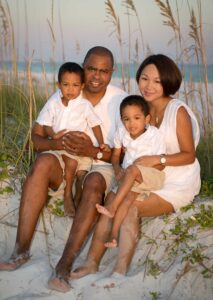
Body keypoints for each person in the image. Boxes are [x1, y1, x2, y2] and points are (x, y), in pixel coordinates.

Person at [0, 46, 127, 292]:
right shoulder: (64, 95)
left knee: (93, 184)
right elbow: (34, 140)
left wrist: (92, 151)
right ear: (82, 67)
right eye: (91, 69)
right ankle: (20, 252)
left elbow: (125, 154)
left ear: (112, 72)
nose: (96, 76)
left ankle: (63, 268)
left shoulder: (121, 101)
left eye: (104, 71)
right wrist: (57, 143)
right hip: (62, 158)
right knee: (43, 162)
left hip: (100, 164)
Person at [70, 54, 201, 288]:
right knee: (111, 198)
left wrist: (154, 159)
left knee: (129, 205)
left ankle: (120, 271)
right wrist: (116, 164)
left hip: (176, 180)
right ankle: (91, 261)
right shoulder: (138, 108)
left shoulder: (177, 111)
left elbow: (189, 155)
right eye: (144, 78)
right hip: (140, 175)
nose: (148, 86)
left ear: (168, 82)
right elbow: (122, 145)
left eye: (157, 81)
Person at [37, 62, 109, 217]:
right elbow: (45, 123)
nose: (70, 89)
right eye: (66, 84)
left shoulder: (84, 105)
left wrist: (101, 142)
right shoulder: (54, 102)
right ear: (59, 85)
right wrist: (53, 134)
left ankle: (78, 195)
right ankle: (67, 193)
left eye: (75, 85)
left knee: (83, 172)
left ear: (82, 86)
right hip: (62, 146)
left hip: (80, 146)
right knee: (71, 164)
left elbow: (95, 124)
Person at [96, 95, 166, 248]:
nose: (131, 123)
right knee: (127, 199)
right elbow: (115, 156)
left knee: (133, 170)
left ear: (146, 119)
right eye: (126, 119)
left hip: (152, 175)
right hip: (130, 178)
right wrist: (117, 169)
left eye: (136, 118)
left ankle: (112, 207)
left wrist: (140, 171)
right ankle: (114, 235)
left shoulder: (154, 135)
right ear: (122, 120)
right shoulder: (121, 133)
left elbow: (161, 164)